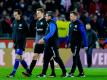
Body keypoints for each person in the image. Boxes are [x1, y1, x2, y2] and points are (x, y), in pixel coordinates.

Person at [22, 8, 55, 77]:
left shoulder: (46, 21)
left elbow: (48, 32)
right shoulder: (37, 22)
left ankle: (53, 72)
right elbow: (37, 33)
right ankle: (29, 72)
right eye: (37, 13)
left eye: (38, 13)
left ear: (42, 13)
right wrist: (36, 41)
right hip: (38, 42)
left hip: (45, 42)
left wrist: (45, 39)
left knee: (50, 57)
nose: (37, 14)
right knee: (35, 56)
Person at [37, 11, 68, 77]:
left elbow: (51, 33)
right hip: (48, 45)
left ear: (50, 17)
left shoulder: (52, 23)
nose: (45, 17)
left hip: (52, 45)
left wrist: (44, 39)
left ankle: (65, 72)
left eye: (46, 16)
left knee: (57, 58)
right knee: (45, 59)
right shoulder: (49, 23)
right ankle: (43, 74)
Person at [7, 9, 30, 77]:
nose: (15, 16)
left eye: (16, 15)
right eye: (14, 15)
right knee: (20, 58)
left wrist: (22, 38)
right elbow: (13, 32)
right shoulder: (14, 22)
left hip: (21, 43)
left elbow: (28, 32)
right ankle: (28, 70)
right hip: (16, 43)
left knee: (17, 57)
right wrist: (14, 41)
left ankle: (13, 73)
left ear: (19, 14)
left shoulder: (24, 22)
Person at [67, 11, 88, 77]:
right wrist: (67, 42)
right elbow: (69, 34)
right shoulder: (70, 24)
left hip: (77, 43)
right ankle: (81, 73)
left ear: (76, 16)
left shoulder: (80, 23)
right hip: (72, 44)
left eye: (71, 16)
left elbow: (84, 34)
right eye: (70, 16)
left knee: (75, 57)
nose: (70, 17)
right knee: (77, 58)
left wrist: (86, 45)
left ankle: (71, 72)